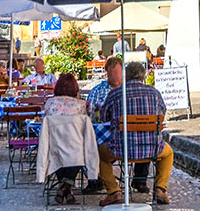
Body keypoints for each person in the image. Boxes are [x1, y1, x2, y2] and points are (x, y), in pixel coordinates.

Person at [97, 62, 172, 206]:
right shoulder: (154, 93)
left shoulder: (116, 93)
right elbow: (162, 113)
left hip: (121, 149)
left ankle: (113, 191)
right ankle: (160, 189)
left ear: (126, 75)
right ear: (144, 76)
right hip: (152, 148)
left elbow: (103, 117)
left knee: (98, 154)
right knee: (168, 154)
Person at [45, 73, 91, 204]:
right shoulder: (80, 105)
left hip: (54, 148)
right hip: (74, 149)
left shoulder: (50, 104)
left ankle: (63, 188)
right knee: (81, 150)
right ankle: (66, 188)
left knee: (58, 153)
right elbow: (84, 129)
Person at [83, 56, 122, 196]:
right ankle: (95, 179)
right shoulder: (97, 91)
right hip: (105, 134)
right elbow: (90, 113)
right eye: (112, 74)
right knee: (91, 146)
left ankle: (138, 181)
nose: (116, 77)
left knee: (97, 151)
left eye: (118, 73)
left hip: (125, 141)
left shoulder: (128, 91)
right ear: (107, 74)